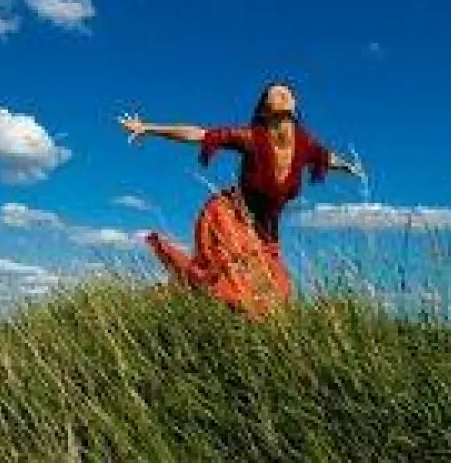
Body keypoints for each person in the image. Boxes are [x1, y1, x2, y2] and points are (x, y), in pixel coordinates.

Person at [118, 81, 362, 318]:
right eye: (275, 93)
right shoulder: (250, 137)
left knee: (279, 295)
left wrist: (350, 167)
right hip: (231, 217)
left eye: (287, 92)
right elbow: (199, 134)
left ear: (295, 105)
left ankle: (177, 294)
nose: (283, 93)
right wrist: (149, 128)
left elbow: (327, 158)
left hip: (265, 233)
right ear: (265, 109)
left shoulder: (305, 145)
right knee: (249, 292)